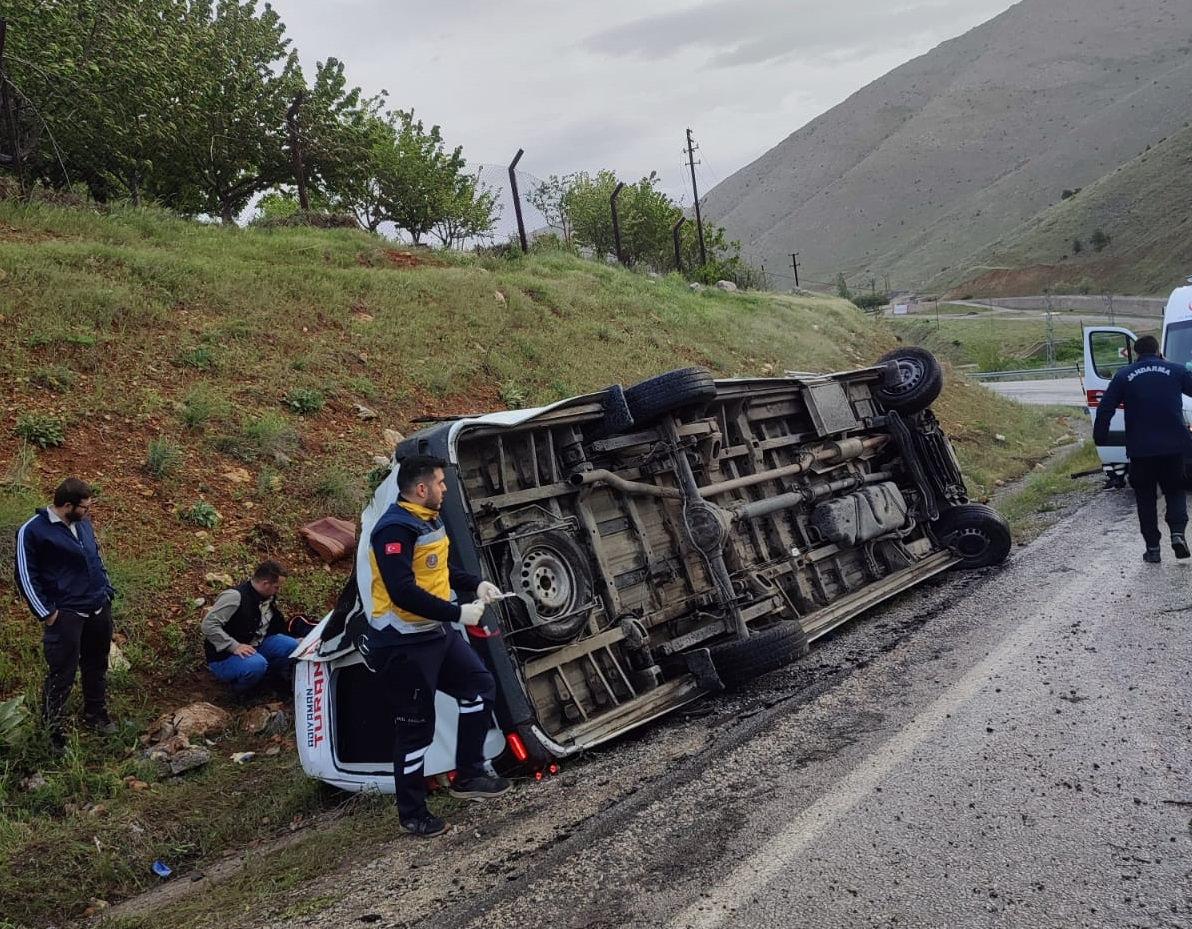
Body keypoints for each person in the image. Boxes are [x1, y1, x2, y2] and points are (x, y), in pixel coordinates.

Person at [362, 453, 510, 837]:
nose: (445, 489)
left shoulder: (429, 517)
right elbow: (402, 592)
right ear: (421, 488)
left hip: (434, 634)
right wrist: (457, 613)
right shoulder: (392, 530)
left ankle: (469, 776)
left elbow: (438, 570)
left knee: (479, 686)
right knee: (416, 730)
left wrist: (473, 583)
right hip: (401, 644)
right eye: (441, 483)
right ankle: (412, 814)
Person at [14, 477, 117, 751]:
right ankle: (53, 732)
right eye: (84, 507)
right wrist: (47, 613)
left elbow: (95, 555)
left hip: (97, 606)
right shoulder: (32, 531)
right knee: (62, 673)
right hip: (66, 614)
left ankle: (96, 714)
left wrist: (106, 589)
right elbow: (25, 575)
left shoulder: (82, 524)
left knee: (97, 665)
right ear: (68, 505)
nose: (88, 512)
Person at [1093, 334, 1192, 563]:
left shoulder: (1124, 375)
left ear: (1136, 353)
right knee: (1175, 490)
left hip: (1141, 450)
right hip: (1173, 446)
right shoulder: (1176, 370)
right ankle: (1177, 534)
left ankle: (1153, 548)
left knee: (1145, 498)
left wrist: (1100, 436)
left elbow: (1105, 407)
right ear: (1158, 350)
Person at [202, 561, 299, 692]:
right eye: (277, 587)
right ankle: (239, 692)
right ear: (265, 584)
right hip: (224, 656)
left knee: (292, 645)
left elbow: (271, 625)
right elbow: (208, 625)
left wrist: (295, 638)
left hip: (256, 644)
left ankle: (268, 680)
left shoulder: (267, 597)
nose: (278, 590)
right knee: (256, 665)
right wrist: (233, 646)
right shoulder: (234, 597)